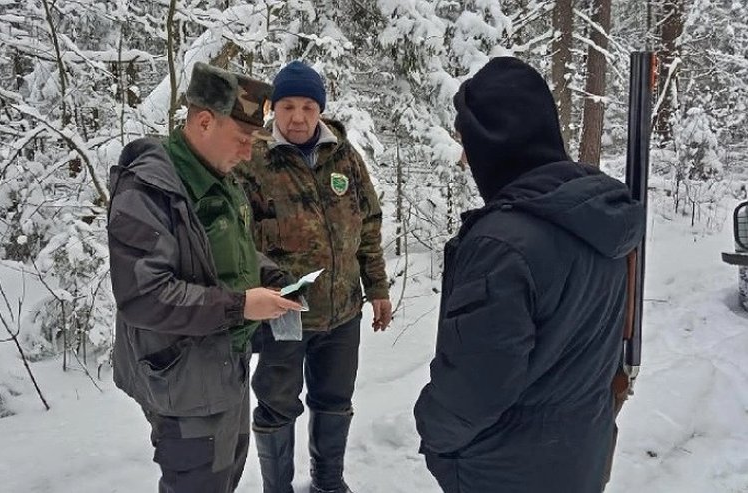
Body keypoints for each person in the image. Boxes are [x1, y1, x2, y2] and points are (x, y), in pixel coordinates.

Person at [413, 56, 646, 493]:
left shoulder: (501, 245)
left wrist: (431, 430)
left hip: (505, 470)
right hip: (581, 455)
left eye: (468, 141)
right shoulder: (599, 217)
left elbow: (474, 388)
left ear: (493, 141)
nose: (465, 159)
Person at [107, 62, 303, 493]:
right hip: (184, 383)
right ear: (203, 121)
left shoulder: (217, 176)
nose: (249, 151)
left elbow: (225, 248)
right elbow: (145, 295)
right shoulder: (150, 188)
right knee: (197, 482)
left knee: (224, 477)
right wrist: (241, 305)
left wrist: (272, 276)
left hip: (224, 368)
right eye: (242, 138)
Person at [235, 60, 392, 493]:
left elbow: (369, 225)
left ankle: (328, 482)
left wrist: (376, 288)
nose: (298, 117)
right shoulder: (253, 160)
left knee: (335, 401)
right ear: (273, 108)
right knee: (277, 406)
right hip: (283, 314)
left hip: (343, 311)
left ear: (320, 108)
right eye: (288, 106)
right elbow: (236, 241)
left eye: (308, 106)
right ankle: (277, 488)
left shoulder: (344, 155)